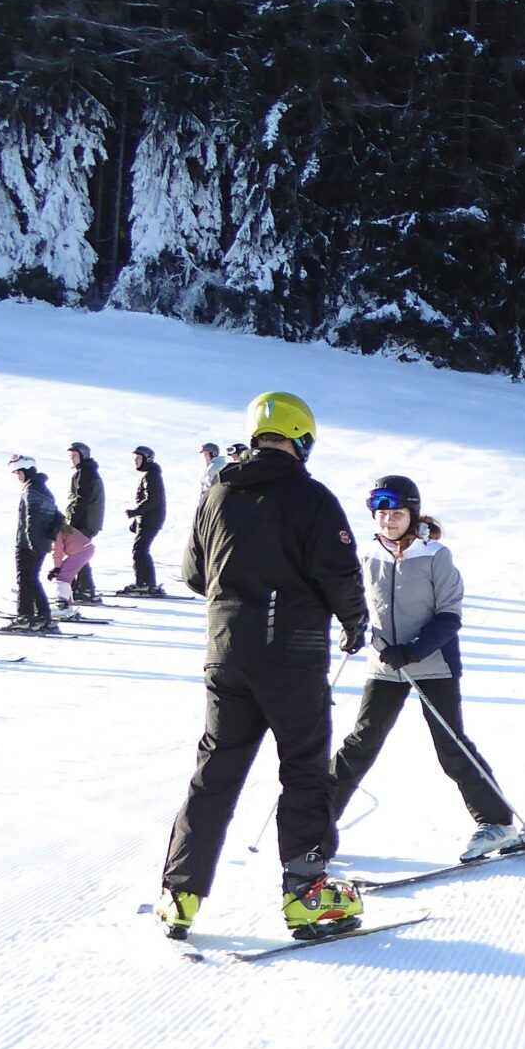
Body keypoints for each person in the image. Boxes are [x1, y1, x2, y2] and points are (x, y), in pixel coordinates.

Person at [156, 391, 369, 942]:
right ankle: (306, 895)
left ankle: (179, 894)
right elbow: (338, 571)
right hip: (292, 657)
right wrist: (354, 621)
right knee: (304, 770)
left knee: (216, 771)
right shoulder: (311, 497)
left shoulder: (217, 493)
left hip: (226, 652)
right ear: (303, 439)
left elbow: (193, 574)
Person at [328, 474, 525, 863]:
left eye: (397, 513)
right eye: (381, 513)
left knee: (450, 745)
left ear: (413, 513)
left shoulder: (435, 555)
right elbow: (358, 603)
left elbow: (449, 615)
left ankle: (498, 824)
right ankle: (316, 824)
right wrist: (352, 628)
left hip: (433, 663)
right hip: (384, 664)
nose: (388, 520)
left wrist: (413, 650)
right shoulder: (368, 554)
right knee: (360, 745)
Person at [6, 455, 62, 631]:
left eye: (19, 472)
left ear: (28, 471)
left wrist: (31, 541)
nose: (17, 476)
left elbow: (32, 517)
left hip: (29, 543)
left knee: (24, 580)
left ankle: (25, 617)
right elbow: (58, 517)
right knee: (31, 579)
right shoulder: (41, 488)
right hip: (39, 542)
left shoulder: (32, 490)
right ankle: (43, 616)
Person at [120, 445, 167, 595]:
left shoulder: (151, 475)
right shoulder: (148, 474)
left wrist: (135, 512)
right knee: (141, 550)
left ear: (147, 459)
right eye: (134, 459)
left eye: (138, 458)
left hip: (151, 519)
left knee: (139, 550)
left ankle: (144, 583)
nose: (135, 461)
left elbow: (152, 499)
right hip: (148, 519)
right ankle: (148, 583)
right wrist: (136, 519)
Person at [63, 442, 106, 605]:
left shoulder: (85, 473)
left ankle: (86, 589)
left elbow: (82, 500)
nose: (72, 459)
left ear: (84, 456)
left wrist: (72, 523)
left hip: (85, 522)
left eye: (75, 456)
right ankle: (80, 587)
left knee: (78, 554)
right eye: (70, 456)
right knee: (78, 554)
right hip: (87, 521)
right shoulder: (86, 472)